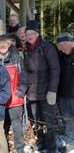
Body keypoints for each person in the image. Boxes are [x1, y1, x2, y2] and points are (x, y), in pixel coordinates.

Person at [24, 20, 60, 153]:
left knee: (48, 122)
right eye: (27, 33)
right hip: (32, 92)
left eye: (32, 33)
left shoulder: (47, 47)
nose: (29, 36)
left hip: (46, 91)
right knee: (36, 121)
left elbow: (55, 69)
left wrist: (52, 90)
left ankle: (51, 147)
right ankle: (41, 143)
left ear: (38, 34)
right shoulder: (26, 49)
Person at [0, 35, 27, 153]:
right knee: (1, 126)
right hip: (0, 100)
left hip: (15, 99)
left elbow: (24, 78)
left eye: (5, 43)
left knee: (17, 127)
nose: (3, 46)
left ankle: (20, 149)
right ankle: (2, 149)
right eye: (0, 43)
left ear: (10, 45)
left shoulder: (17, 58)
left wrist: (20, 93)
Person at [56, 33, 74, 142]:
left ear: (71, 42)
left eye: (64, 44)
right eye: (60, 45)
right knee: (67, 119)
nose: (62, 47)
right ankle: (70, 139)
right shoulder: (59, 56)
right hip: (63, 94)